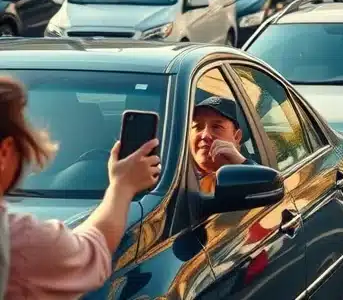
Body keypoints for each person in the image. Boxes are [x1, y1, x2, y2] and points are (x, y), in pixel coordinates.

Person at [0, 76, 160, 299]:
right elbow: (95, 248)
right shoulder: (19, 241)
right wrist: (122, 187)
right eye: (23, 143)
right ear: (5, 151)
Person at [189, 96, 252, 194]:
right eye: (198, 126)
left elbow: (266, 188)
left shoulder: (246, 177)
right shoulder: (170, 175)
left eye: (216, 127)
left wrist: (242, 163)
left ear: (236, 137)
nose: (205, 135)